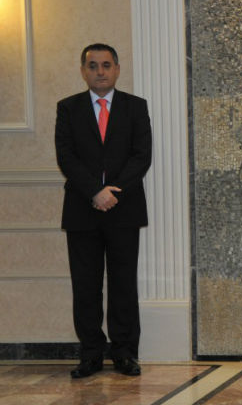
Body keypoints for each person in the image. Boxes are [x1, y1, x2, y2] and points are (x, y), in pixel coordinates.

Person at [55, 43, 152, 378]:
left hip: (124, 209)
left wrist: (113, 192)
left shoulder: (135, 107)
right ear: (84, 71)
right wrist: (95, 192)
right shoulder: (68, 108)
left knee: (123, 284)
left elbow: (142, 156)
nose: (100, 71)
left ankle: (124, 353)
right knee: (86, 286)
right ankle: (91, 354)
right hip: (82, 209)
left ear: (117, 69)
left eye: (106, 65)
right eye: (93, 65)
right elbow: (66, 156)